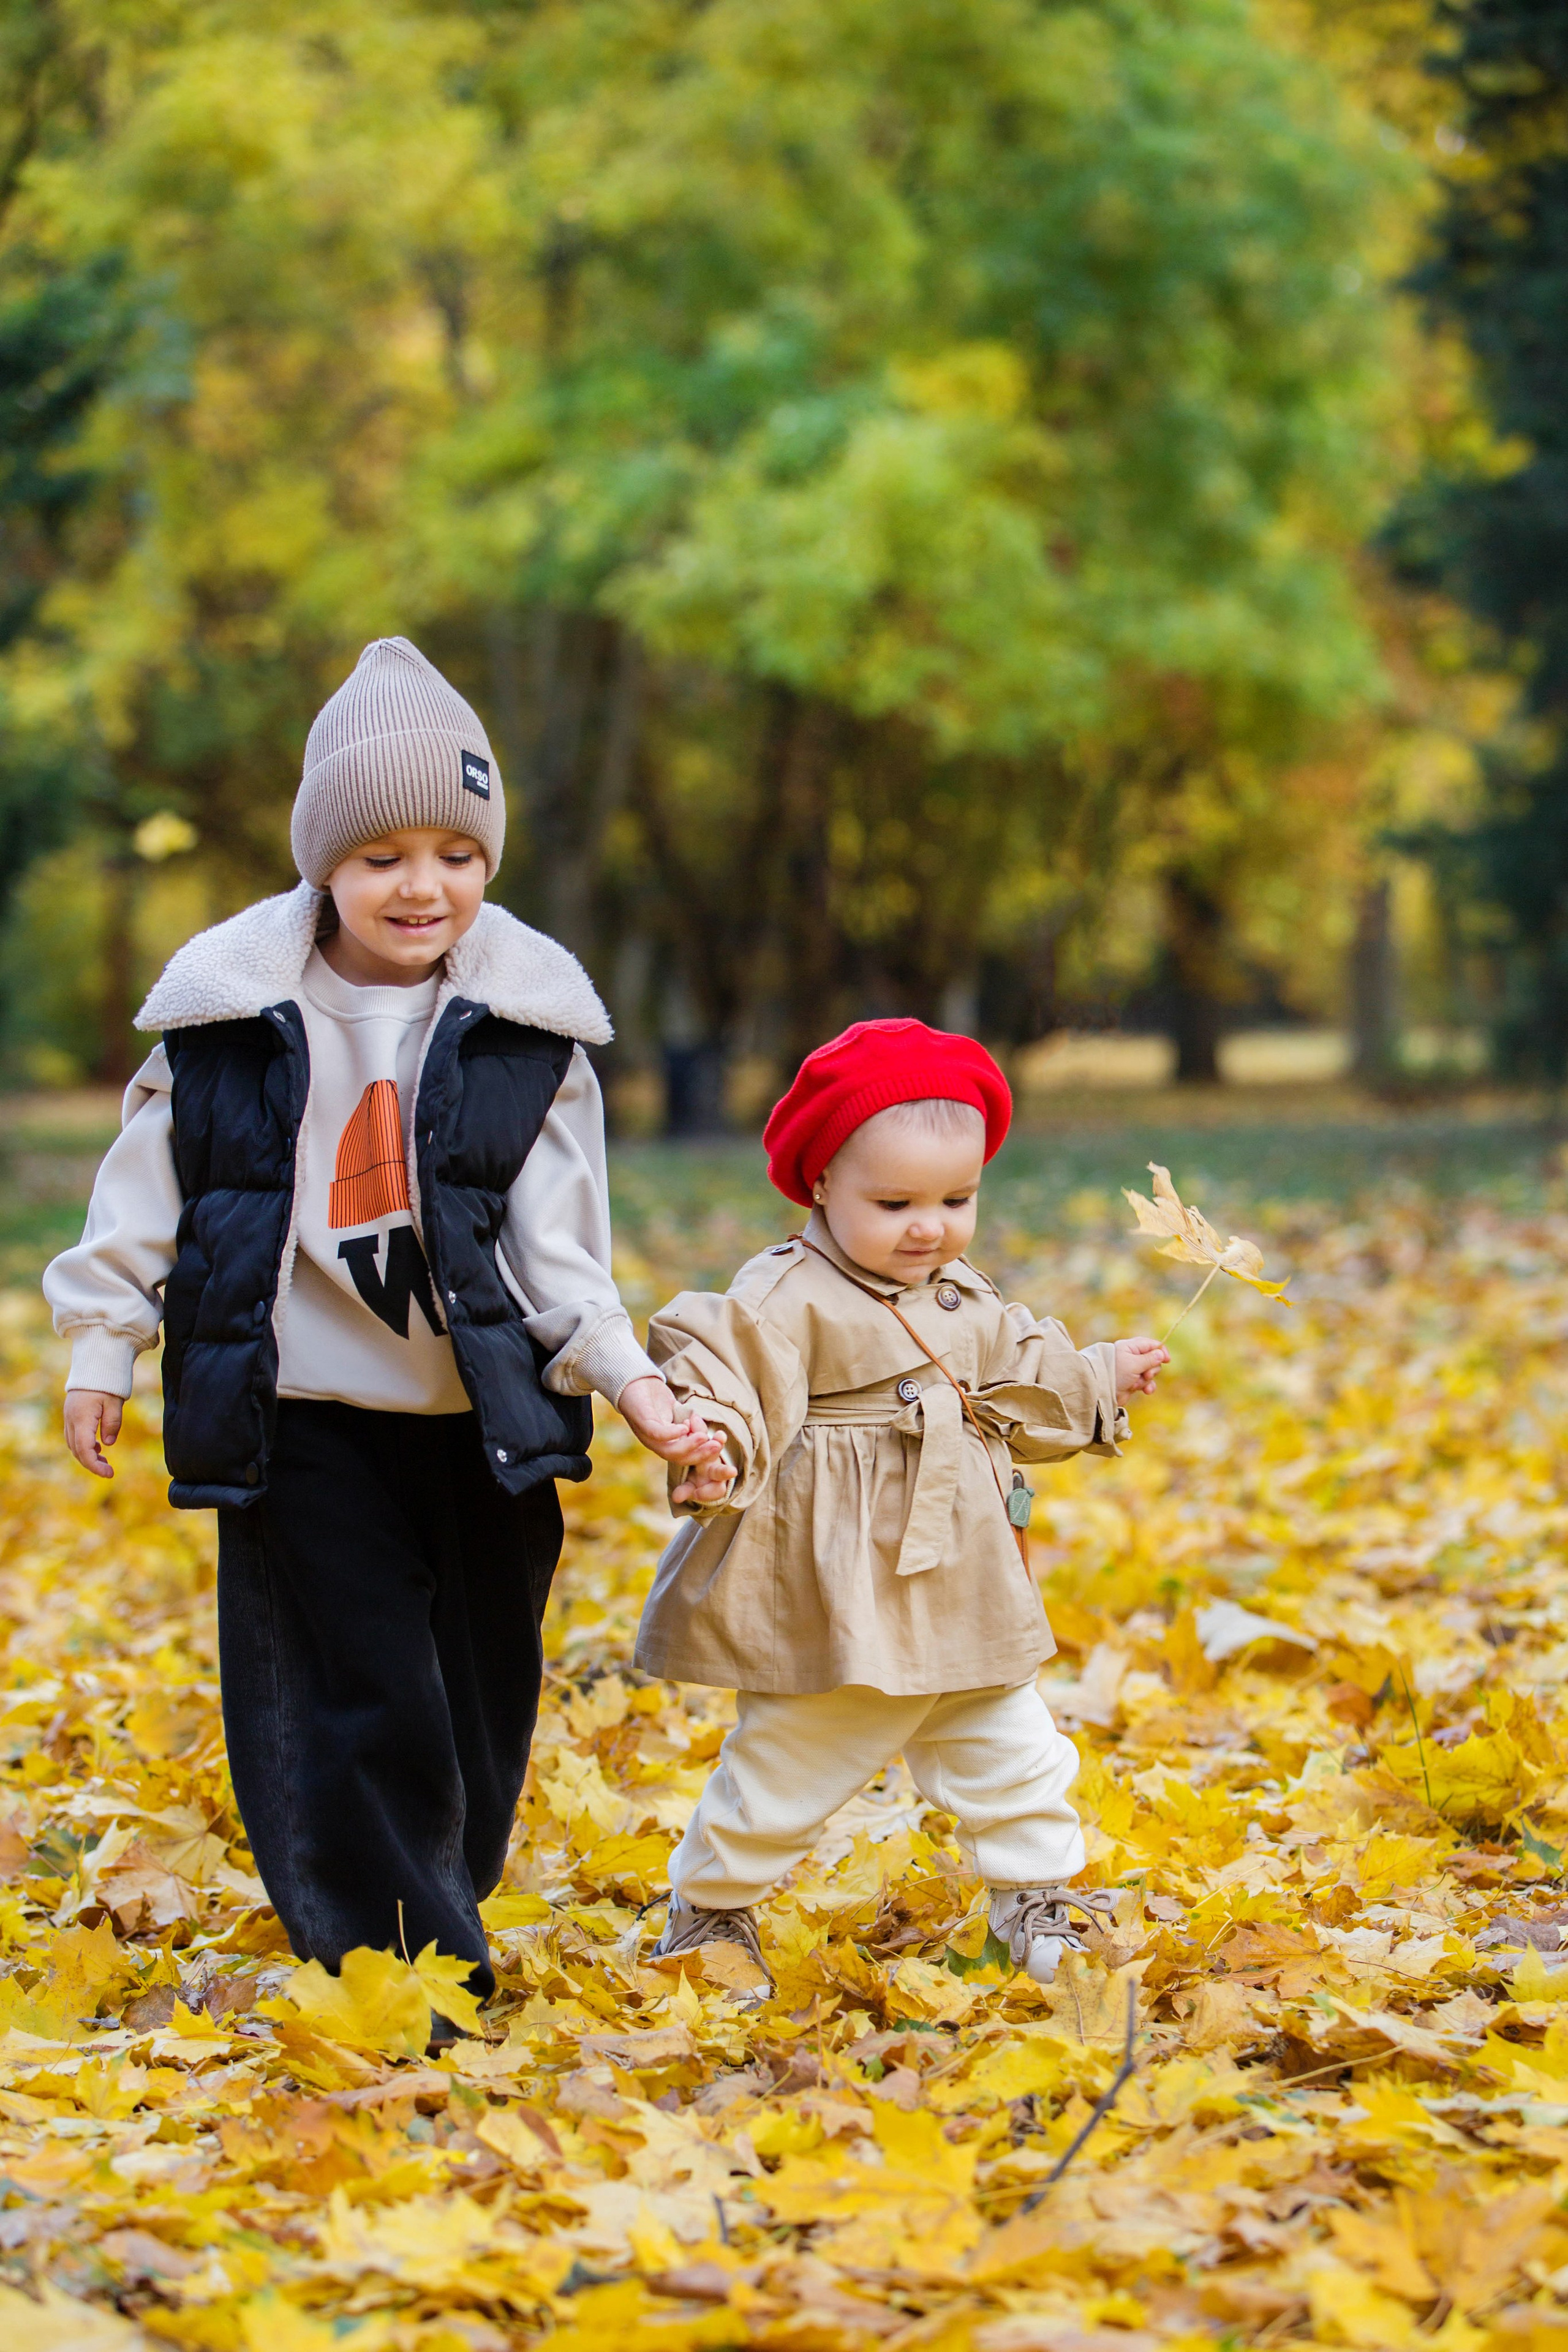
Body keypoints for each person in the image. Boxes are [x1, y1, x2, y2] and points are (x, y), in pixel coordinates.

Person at [43, 636, 722, 2019]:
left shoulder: (526, 1036)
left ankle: (431, 1897)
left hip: (478, 1417)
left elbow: (560, 1251)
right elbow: (143, 1203)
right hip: (302, 1414)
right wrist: (102, 1343)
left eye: (457, 854)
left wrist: (636, 1387)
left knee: (477, 1693)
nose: (424, 887)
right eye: (383, 856)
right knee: (353, 1691)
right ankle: (394, 1967)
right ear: (322, 866)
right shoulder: (229, 1023)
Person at [635, 1017, 1169, 1988]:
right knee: (795, 1753)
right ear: (822, 1183)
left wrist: (1099, 1376)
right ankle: (710, 1910)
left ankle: (1036, 1895)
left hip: (961, 1569)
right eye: (896, 1201)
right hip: (841, 1574)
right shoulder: (787, 1293)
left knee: (1008, 1736)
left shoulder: (960, 1293)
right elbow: (729, 1374)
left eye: (956, 1198)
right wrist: (711, 1441)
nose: (930, 1226)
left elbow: (1018, 1379)